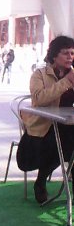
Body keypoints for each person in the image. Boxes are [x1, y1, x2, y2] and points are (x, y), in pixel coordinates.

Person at [17, 35, 74, 204]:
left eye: (72, 53)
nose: (70, 57)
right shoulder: (39, 74)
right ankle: (41, 181)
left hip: (67, 125)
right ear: (54, 56)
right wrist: (66, 82)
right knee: (62, 143)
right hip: (43, 127)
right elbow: (38, 99)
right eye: (65, 53)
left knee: (68, 139)